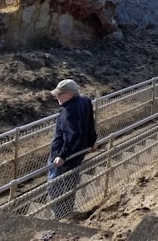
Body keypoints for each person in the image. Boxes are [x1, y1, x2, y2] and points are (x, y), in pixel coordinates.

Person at [47, 79, 97, 219]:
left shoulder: (68, 111)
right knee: (70, 181)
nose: (56, 97)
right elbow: (90, 122)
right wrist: (92, 141)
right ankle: (67, 211)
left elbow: (73, 135)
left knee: (55, 185)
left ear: (69, 94)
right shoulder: (85, 101)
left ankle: (59, 215)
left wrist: (62, 155)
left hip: (63, 156)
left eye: (59, 94)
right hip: (78, 153)